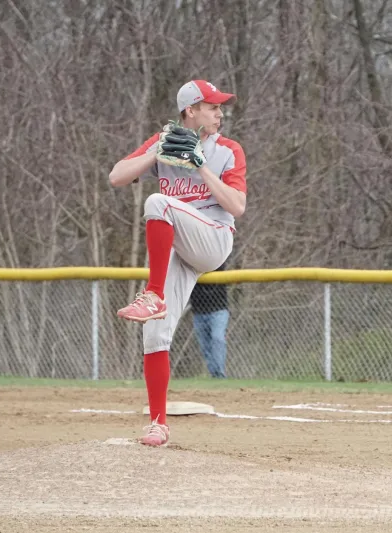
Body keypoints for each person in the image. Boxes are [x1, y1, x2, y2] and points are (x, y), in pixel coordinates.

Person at [108, 79, 247, 446]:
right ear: (190, 111)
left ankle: (152, 293)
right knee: (154, 333)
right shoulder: (166, 142)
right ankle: (158, 423)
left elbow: (236, 207)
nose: (219, 112)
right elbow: (116, 176)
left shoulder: (228, 150)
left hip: (214, 238)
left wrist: (202, 167)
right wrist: (157, 153)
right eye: (211, 106)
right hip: (180, 247)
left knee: (158, 203)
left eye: (219, 107)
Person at [189, 260, 230, 378]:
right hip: (199, 311)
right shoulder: (189, 260)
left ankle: (220, 374)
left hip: (219, 309)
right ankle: (215, 375)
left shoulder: (217, 258)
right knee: (205, 346)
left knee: (218, 339)